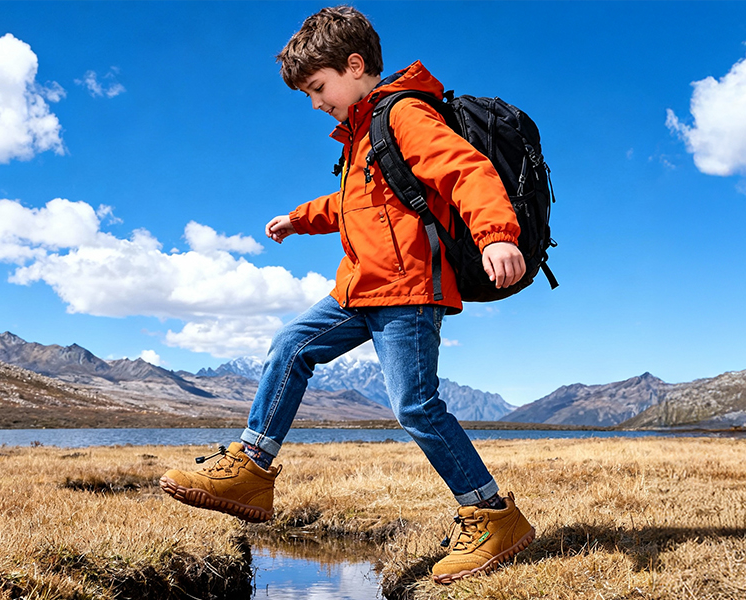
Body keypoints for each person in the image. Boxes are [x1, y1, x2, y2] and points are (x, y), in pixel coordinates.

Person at [159, 5, 535, 583]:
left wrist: (497, 234)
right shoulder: (360, 136)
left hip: (408, 290)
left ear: (354, 66)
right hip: (360, 289)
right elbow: (350, 206)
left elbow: (466, 170)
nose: (314, 102)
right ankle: (251, 467)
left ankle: (491, 514)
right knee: (291, 345)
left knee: (415, 404)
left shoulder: (403, 114)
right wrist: (298, 218)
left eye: (317, 87)